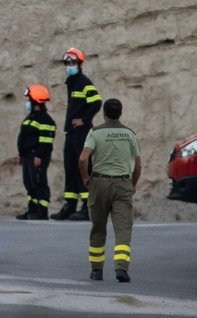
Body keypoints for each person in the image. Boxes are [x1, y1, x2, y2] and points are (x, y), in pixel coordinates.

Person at [79, 98, 142, 282]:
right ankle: (121, 268)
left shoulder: (95, 132)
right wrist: (133, 184)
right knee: (123, 228)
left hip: (99, 183)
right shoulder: (129, 134)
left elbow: (83, 159)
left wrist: (85, 177)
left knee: (98, 228)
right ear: (120, 113)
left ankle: (96, 270)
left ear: (104, 113)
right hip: (122, 184)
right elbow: (138, 165)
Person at [50, 47, 102, 222]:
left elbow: (96, 102)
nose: (69, 66)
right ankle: (70, 205)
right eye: (67, 63)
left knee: (83, 167)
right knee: (70, 167)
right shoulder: (72, 82)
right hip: (71, 132)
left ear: (80, 64)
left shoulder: (83, 81)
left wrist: (84, 120)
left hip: (81, 132)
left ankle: (88, 207)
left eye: (73, 63)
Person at [15, 84, 57, 220]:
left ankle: (42, 211)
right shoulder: (30, 117)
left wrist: (39, 156)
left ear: (35, 101)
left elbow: (46, 143)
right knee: (29, 183)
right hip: (27, 156)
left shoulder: (46, 120)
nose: (27, 102)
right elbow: (24, 137)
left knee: (39, 182)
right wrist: (21, 155)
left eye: (29, 99)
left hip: (36, 156)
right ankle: (32, 209)